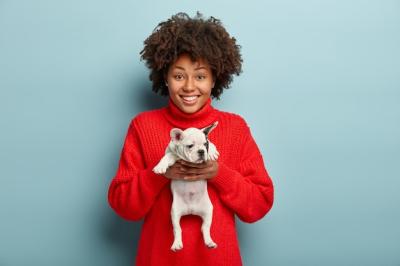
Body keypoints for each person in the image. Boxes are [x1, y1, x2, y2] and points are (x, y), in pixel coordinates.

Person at [107, 12, 274, 266]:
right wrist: (161, 173)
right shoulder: (143, 126)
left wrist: (218, 173)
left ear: (215, 78)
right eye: (178, 75)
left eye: (200, 76)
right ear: (165, 77)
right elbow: (123, 205)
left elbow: (259, 204)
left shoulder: (235, 128)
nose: (188, 87)